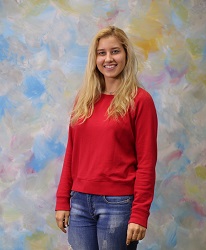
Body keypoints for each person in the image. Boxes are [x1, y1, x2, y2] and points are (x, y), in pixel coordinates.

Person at [55, 26, 158, 250]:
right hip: (80, 203)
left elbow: (147, 162)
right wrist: (63, 200)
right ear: (95, 59)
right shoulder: (84, 99)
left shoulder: (140, 101)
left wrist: (139, 214)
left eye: (115, 51)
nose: (108, 58)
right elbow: (72, 152)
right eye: (102, 53)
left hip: (118, 205)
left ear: (126, 55)